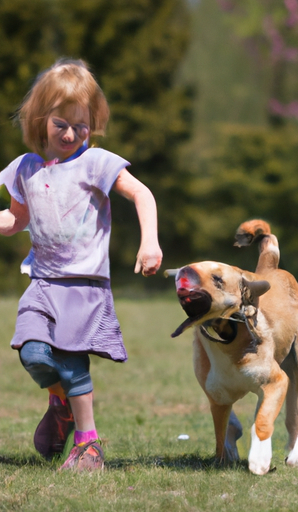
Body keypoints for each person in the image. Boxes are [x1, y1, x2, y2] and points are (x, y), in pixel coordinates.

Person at [0, 58, 163, 470]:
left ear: (93, 122)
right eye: (61, 124)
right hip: (42, 282)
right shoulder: (26, 169)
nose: (71, 134)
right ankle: (62, 405)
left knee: (72, 361)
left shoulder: (97, 163)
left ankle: (88, 445)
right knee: (34, 354)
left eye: (81, 124)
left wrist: (150, 243)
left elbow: (142, 195)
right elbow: (15, 220)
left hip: (84, 285)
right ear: (41, 121)